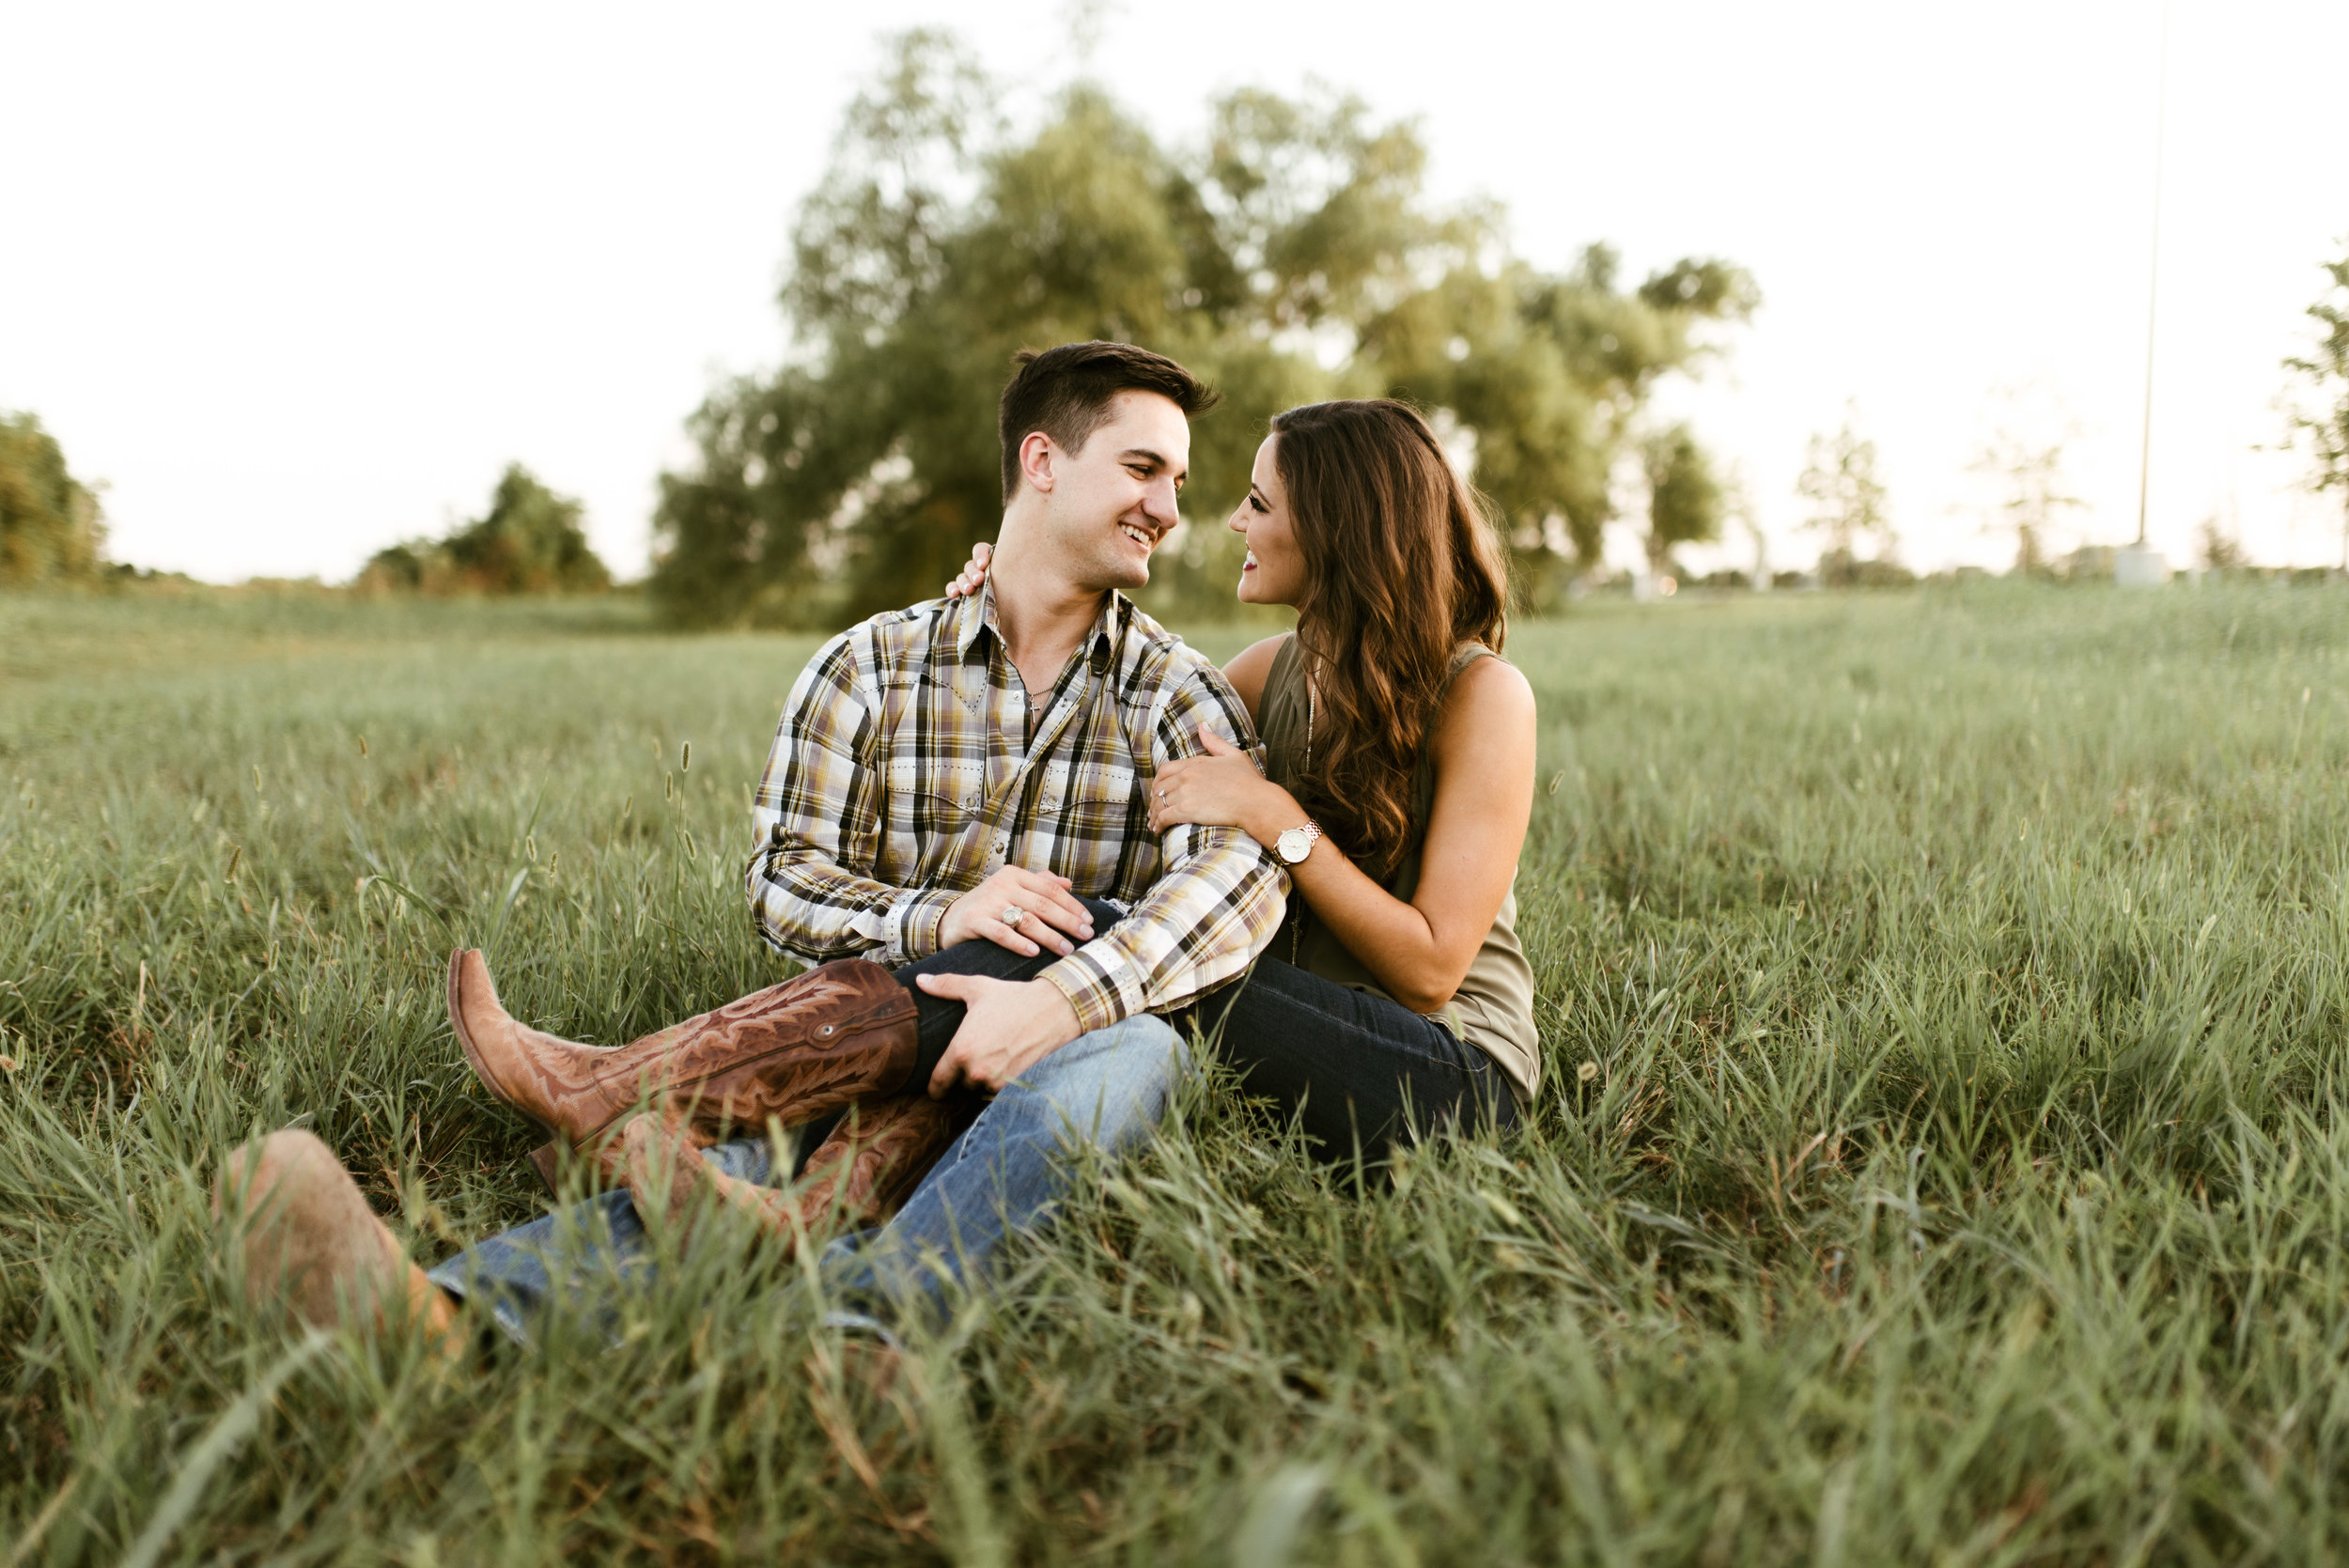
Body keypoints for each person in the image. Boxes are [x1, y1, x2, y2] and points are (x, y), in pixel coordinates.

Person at [212, 341, 1288, 1347]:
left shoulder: (1173, 693)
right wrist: (939, 918)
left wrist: (1060, 998)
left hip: (1068, 1054)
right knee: (744, 1166)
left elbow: (1240, 886)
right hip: (877, 1043)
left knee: (1141, 1055)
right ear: (1041, 462)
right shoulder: (863, 669)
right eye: (1144, 468)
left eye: (1181, 486)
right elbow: (782, 882)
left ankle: (853, 1326)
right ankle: (441, 1321)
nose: (1167, 507)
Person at [945, 397, 1539, 1157]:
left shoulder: (1482, 694)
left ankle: (796, 1060)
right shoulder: (1264, 674)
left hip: (1451, 1075)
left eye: (1258, 503)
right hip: (1300, 1044)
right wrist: (1007, 593)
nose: (1233, 522)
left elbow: (1430, 971)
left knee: (1101, 941)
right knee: (1063, 929)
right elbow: (1100, 730)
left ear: (1335, 527)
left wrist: (1274, 816)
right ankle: (844, 1115)